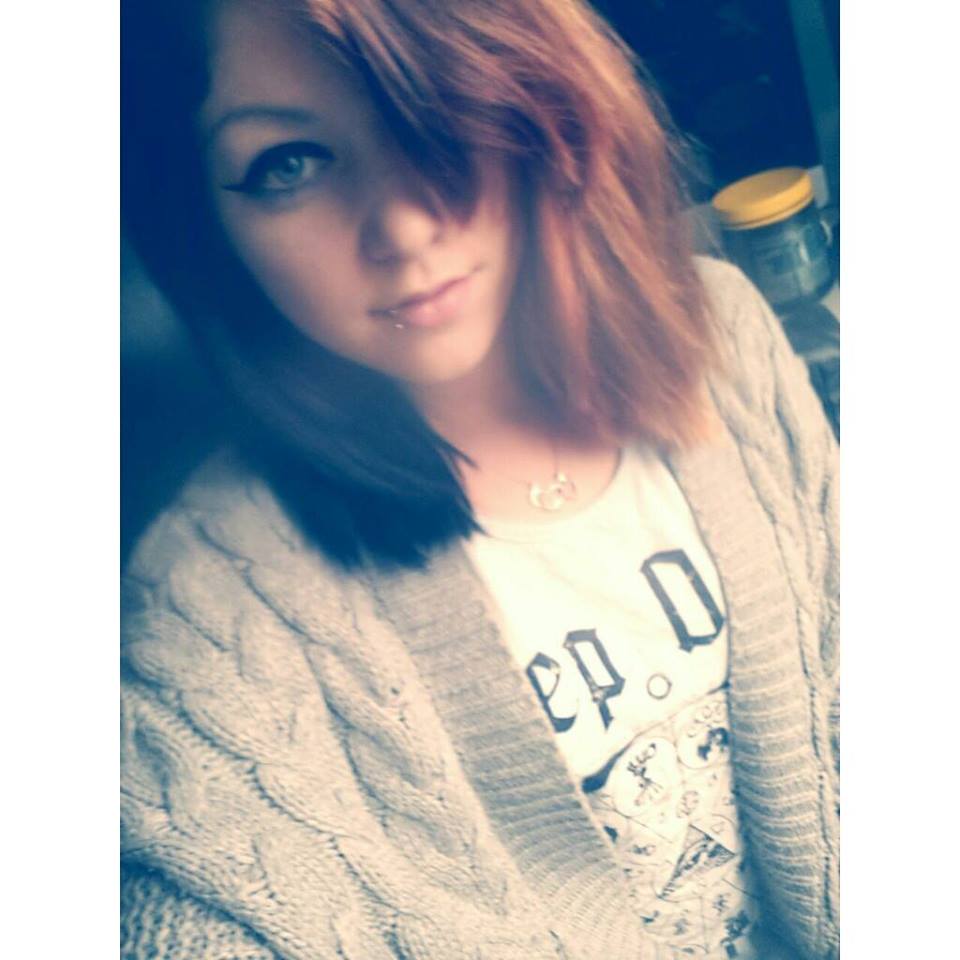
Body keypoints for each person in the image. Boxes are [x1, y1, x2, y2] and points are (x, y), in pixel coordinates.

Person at [120, 1, 839, 958]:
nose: (404, 224)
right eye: (288, 163)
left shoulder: (728, 336)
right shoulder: (206, 618)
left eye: (434, 110)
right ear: (207, 224)